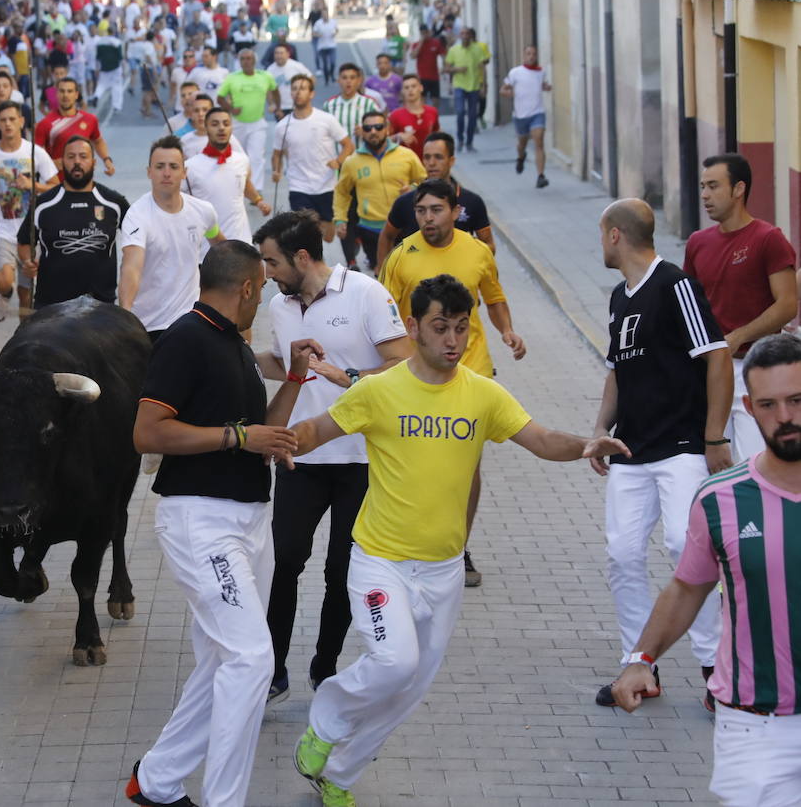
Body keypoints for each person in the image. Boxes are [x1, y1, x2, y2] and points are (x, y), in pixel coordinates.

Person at [276, 274, 628, 807]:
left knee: (409, 687)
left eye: (462, 329)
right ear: (414, 326)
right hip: (380, 562)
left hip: (442, 572)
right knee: (394, 662)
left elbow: (539, 438)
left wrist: (585, 445)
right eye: (441, 327)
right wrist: (274, 441)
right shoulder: (378, 390)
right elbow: (316, 431)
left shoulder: (482, 394)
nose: (453, 341)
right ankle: (325, 721)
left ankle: (339, 777)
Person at [124, 240, 316, 807]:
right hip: (201, 522)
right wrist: (237, 436)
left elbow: (260, 433)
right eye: (265, 287)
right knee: (252, 657)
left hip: (249, 519)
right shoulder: (186, 339)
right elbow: (146, 433)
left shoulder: (233, 341)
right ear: (250, 287)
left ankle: (156, 781)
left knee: (220, 662)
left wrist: (295, 380)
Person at [610, 333, 801, 806]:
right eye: (769, 404)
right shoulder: (721, 499)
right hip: (755, 727)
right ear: (749, 409)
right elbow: (687, 587)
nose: (786, 417)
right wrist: (641, 660)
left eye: (798, 400)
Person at [253, 210, 410, 705]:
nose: (267, 274)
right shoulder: (280, 306)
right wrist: (235, 354)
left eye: (272, 262)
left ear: (303, 257)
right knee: (283, 563)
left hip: (361, 459)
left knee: (341, 570)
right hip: (299, 455)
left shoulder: (365, 292)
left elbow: (403, 360)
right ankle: (273, 670)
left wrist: (352, 378)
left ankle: (325, 667)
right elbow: (287, 365)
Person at [590, 197, 730, 709]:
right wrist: (600, 429)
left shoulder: (676, 286)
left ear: (614, 236)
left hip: (680, 448)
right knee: (622, 555)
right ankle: (639, 666)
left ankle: (718, 669)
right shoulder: (617, 298)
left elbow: (716, 356)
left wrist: (714, 437)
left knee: (682, 546)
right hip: (631, 449)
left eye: (599, 233)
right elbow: (616, 372)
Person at [380, 179, 526, 587]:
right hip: (414, 372)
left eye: (436, 210)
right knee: (417, 460)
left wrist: (508, 331)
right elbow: (384, 312)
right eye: (421, 211)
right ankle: (414, 542)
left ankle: (457, 547)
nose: (428, 218)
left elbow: (494, 297)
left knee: (466, 464)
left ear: (455, 209)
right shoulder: (402, 254)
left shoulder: (477, 251)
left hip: (471, 368)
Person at [683, 154, 797, 461]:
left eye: (714, 186)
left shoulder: (768, 239)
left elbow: (787, 304)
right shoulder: (697, 242)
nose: (705, 195)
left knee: (753, 464)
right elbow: (688, 306)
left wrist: (737, 337)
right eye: (703, 186)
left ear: (738, 189)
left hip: (753, 371)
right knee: (707, 466)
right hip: (708, 373)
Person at [118, 136, 225, 342]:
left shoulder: (203, 211)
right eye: (160, 166)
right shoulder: (137, 215)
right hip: (148, 325)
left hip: (191, 321)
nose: (166, 173)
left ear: (184, 172)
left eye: (174, 166)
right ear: (149, 171)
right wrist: (125, 315)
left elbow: (220, 246)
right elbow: (132, 266)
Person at [0, 102, 60, 322]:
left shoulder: (36, 153)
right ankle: (4, 293)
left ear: (21, 122)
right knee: (3, 281)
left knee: (26, 294)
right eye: (3, 120)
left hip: (31, 233)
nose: (8, 124)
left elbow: (56, 187)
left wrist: (33, 186)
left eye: (12, 119)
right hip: (3, 229)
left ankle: (24, 334)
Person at [17, 136, 130, 309]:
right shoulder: (43, 204)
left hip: (100, 306)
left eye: (83, 156)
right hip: (51, 305)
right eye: (71, 157)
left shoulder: (114, 203)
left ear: (93, 162)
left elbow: (137, 242)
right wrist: (27, 262)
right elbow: (24, 241)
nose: (77, 161)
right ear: (62, 162)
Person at [378, 131, 494, 266]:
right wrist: (383, 274)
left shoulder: (472, 201)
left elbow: (489, 245)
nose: (431, 163)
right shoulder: (405, 202)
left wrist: (472, 264)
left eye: (438, 157)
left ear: (451, 161)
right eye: (427, 157)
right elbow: (386, 237)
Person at [333, 110, 424, 270]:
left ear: (387, 129)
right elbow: (342, 192)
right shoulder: (352, 162)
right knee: (382, 274)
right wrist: (340, 220)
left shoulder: (406, 155)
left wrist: (413, 189)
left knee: (410, 271)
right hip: (371, 229)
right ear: (362, 132)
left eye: (378, 127)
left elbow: (425, 181)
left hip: (405, 226)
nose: (373, 131)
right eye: (368, 128)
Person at [272, 74, 346, 245]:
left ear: (311, 93)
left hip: (326, 184)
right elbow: (276, 154)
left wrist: (338, 161)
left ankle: (315, 250)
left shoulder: (326, 119)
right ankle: (313, 263)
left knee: (328, 237)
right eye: (295, 88)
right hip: (299, 186)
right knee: (306, 230)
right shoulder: (282, 126)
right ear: (290, 93)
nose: (298, 92)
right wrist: (277, 170)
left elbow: (348, 145)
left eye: (303, 88)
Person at [184, 107, 269, 244]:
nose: (221, 128)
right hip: (206, 248)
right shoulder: (190, 167)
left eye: (226, 123)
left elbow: (245, 184)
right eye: (215, 124)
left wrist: (258, 201)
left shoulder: (242, 160)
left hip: (241, 242)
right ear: (205, 128)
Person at [218, 48, 277, 193]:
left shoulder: (265, 76)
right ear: (239, 61)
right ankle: (238, 185)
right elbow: (220, 98)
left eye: (249, 58)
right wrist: (230, 108)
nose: (246, 61)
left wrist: (276, 105)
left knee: (256, 156)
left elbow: (274, 90)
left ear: (254, 60)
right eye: (243, 59)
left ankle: (256, 188)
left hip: (258, 123)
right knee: (238, 156)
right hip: (238, 123)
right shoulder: (232, 78)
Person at [34, 78, 116, 177]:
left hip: (84, 182)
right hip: (58, 184)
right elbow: (35, 156)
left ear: (76, 95)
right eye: (62, 91)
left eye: (70, 91)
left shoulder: (90, 119)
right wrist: (51, 163)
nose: (65, 95)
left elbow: (98, 141)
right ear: (57, 95)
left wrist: (106, 159)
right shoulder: (44, 124)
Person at [499, 45, 552, 187]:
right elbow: (503, 89)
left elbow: (542, 85)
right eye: (528, 54)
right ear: (524, 56)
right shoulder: (515, 72)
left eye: (534, 54)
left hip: (537, 113)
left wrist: (546, 87)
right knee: (522, 144)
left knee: (539, 141)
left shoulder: (541, 72)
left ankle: (541, 176)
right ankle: (521, 157)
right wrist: (509, 93)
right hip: (521, 116)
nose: (531, 56)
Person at [444, 28, 490, 152]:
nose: (465, 36)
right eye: (462, 34)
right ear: (460, 35)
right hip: (459, 86)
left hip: (474, 86)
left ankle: (469, 142)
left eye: (467, 34)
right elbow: (446, 68)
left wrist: (484, 85)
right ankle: (460, 140)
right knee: (459, 113)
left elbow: (482, 69)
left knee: (472, 116)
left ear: (471, 36)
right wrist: (457, 70)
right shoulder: (454, 50)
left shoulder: (478, 49)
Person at [388, 74, 440, 159]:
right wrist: (398, 137)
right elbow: (383, 141)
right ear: (402, 91)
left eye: (413, 86)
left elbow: (436, 133)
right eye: (406, 87)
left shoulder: (433, 112)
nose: (410, 90)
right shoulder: (395, 115)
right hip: (405, 165)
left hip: (428, 165)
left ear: (421, 88)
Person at [267, 43, 313, 119]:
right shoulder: (270, 70)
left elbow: (311, 78)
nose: (279, 56)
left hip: (296, 105)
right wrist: (272, 104)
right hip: (280, 108)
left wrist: (307, 94)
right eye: (276, 53)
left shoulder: (297, 66)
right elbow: (268, 90)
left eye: (281, 53)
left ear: (288, 54)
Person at [409, 24, 447, 106]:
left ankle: (434, 117)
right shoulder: (416, 45)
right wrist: (421, 42)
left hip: (434, 77)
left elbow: (443, 55)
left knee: (436, 101)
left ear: (428, 32)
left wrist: (444, 66)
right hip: (422, 77)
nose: (424, 34)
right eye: (422, 33)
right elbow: (413, 56)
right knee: (422, 100)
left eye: (426, 32)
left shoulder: (435, 43)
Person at [92, 28, 126, 113]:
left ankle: (96, 96)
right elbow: (120, 58)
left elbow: (98, 58)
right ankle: (116, 106)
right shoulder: (117, 42)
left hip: (104, 67)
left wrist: (97, 68)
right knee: (116, 86)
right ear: (113, 32)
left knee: (102, 84)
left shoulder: (100, 42)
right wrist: (123, 69)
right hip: (115, 68)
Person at [312, 5, 338, 80]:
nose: (325, 16)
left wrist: (334, 34)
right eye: (323, 14)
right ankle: (326, 78)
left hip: (332, 45)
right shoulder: (318, 23)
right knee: (325, 64)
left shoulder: (333, 22)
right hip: (322, 46)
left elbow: (337, 30)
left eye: (326, 14)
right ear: (321, 15)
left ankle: (332, 74)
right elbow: (313, 33)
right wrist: (318, 35)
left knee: (333, 62)